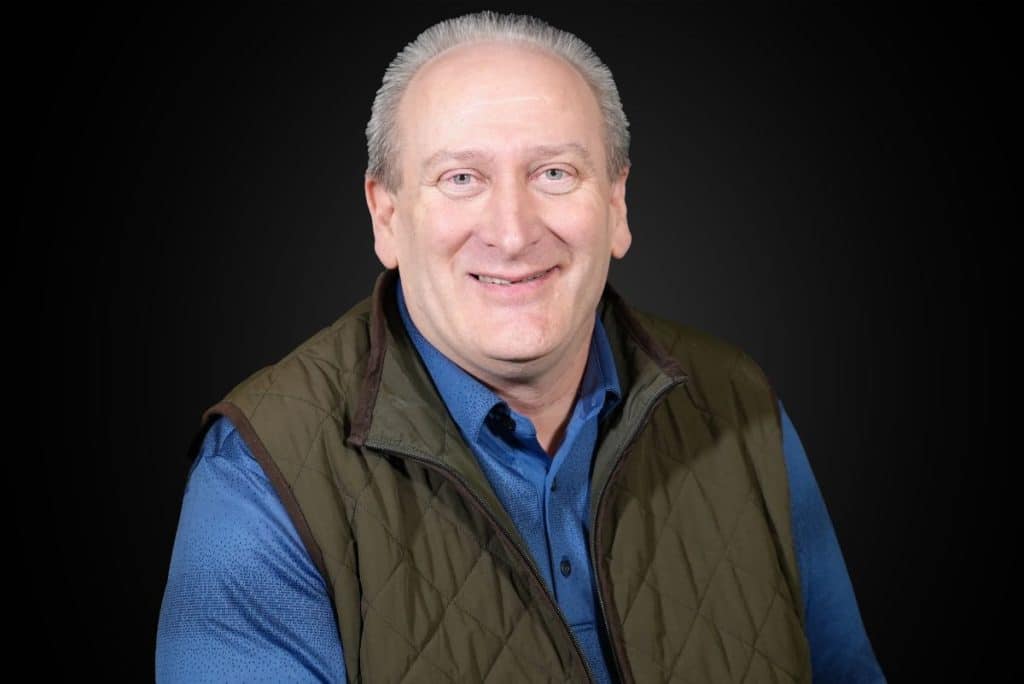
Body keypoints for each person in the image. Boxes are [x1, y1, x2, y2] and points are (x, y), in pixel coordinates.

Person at [156, 10, 885, 683]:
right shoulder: (260, 480)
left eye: (554, 173)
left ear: (617, 205)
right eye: (462, 178)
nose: (512, 231)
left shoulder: (738, 404)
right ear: (386, 216)